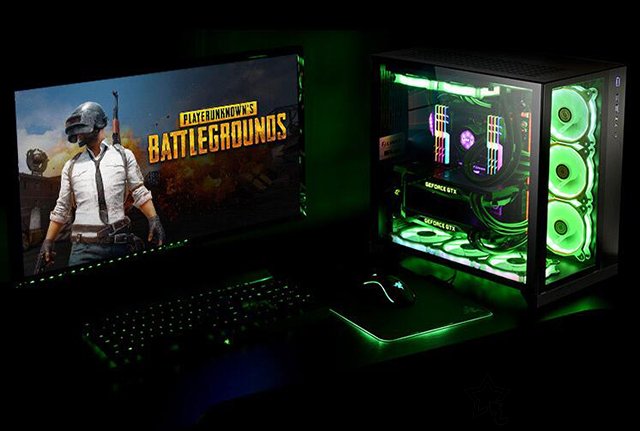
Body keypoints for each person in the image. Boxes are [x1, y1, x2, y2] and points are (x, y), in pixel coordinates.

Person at [36, 101, 165, 272]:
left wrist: (153, 219)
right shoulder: (71, 166)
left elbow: (139, 191)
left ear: (97, 124)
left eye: (81, 129)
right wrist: (48, 241)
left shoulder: (124, 155)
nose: (79, 135)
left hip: (120, 244)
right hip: (82, 249)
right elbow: (62, 207)